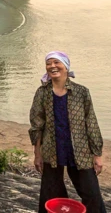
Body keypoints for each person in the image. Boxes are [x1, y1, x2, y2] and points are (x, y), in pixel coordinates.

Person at [29, 51, 106, 213]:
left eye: (56, 62)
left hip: (80, 151)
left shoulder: (81, 92)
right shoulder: (42, 93)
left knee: (91, 194)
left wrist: (97, 154)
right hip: (51, 150)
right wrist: (37, 154)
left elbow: (91, 123)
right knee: (50, 194)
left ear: (66, 66)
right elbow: (37, 126)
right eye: (49, 63)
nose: (52, 66)